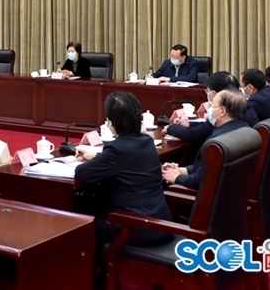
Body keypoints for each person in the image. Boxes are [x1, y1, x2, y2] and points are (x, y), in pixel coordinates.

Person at [74, 92, 171, 248]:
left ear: (111, 122)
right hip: (160, 222)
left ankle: (97, 262)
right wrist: (98, 157)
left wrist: (100, 159)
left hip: (135, 227)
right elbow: (128, 160)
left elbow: (82, 173)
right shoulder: (147, 141)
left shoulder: (116, 150)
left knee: (82, 220)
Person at [162, 90, 248, 189]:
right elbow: (207, 169)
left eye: (212, 106)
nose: (210, 110)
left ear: (222, 111)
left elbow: (200, 181)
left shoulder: (217, 142)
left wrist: (177, 177)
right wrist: (181, 170)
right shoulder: (245, 129)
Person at [162, 71, 243, 144]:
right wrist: (189, 124)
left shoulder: (221, 114)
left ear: (214, 94)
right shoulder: (239, 107)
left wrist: (171, 128)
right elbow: (205, 127)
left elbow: (194, 135)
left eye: (207, 91)